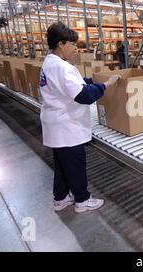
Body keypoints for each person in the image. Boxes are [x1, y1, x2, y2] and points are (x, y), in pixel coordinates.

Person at [39, 22, 119, 213]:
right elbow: (84, 95)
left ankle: (60, 198)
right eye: (73, 45)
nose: (76, 49)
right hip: (67, 126)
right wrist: (106, 85)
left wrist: (93, 81)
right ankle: (82, 200)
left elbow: (73, 85)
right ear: (61, 44)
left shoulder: (49, 63)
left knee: (62, 165)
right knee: (75, 165)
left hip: (56, 124)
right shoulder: (63, 68)